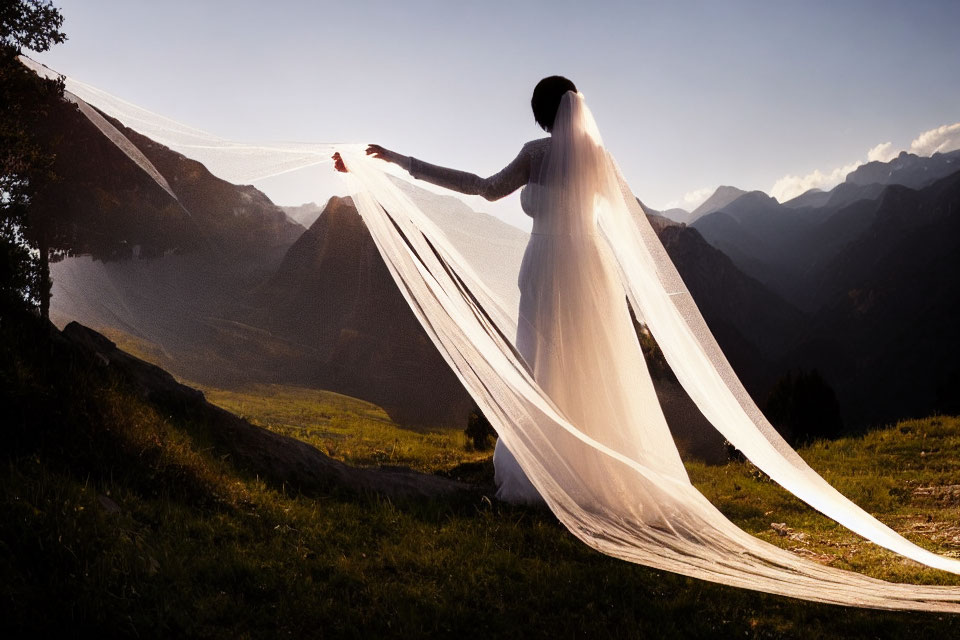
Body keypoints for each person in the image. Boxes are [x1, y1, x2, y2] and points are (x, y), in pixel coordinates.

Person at [334, 76, 687, 504]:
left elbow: (483, 188)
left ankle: (547, 468)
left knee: (541, 363)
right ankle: (598, 472)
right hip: (591, 268)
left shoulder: (536, 154)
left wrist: (401, 161)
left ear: (541, 112)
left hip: (546, 267)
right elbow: (632, 219)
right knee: (591, 362)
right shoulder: (600, 159)